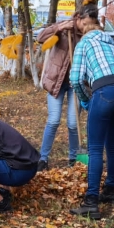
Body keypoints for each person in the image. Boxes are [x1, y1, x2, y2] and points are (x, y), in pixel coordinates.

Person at [69, 3, 114, 219]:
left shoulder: (84, 44)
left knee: (95, 148)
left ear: (82, 21)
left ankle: (91, 201)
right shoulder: (110, 42)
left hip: (105, 90)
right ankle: (109, 190)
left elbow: (76, 79)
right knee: (112, 142)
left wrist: (86, 101)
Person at [37, 19, 82, 172]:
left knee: (73, 123)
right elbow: (40, 38)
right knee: (54, 120)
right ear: (79, 18)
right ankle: (43, 159)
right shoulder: (64, 29)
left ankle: (73, 158)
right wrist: (59, 27)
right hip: (55, 81)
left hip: (75, 84)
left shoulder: (87, 34)